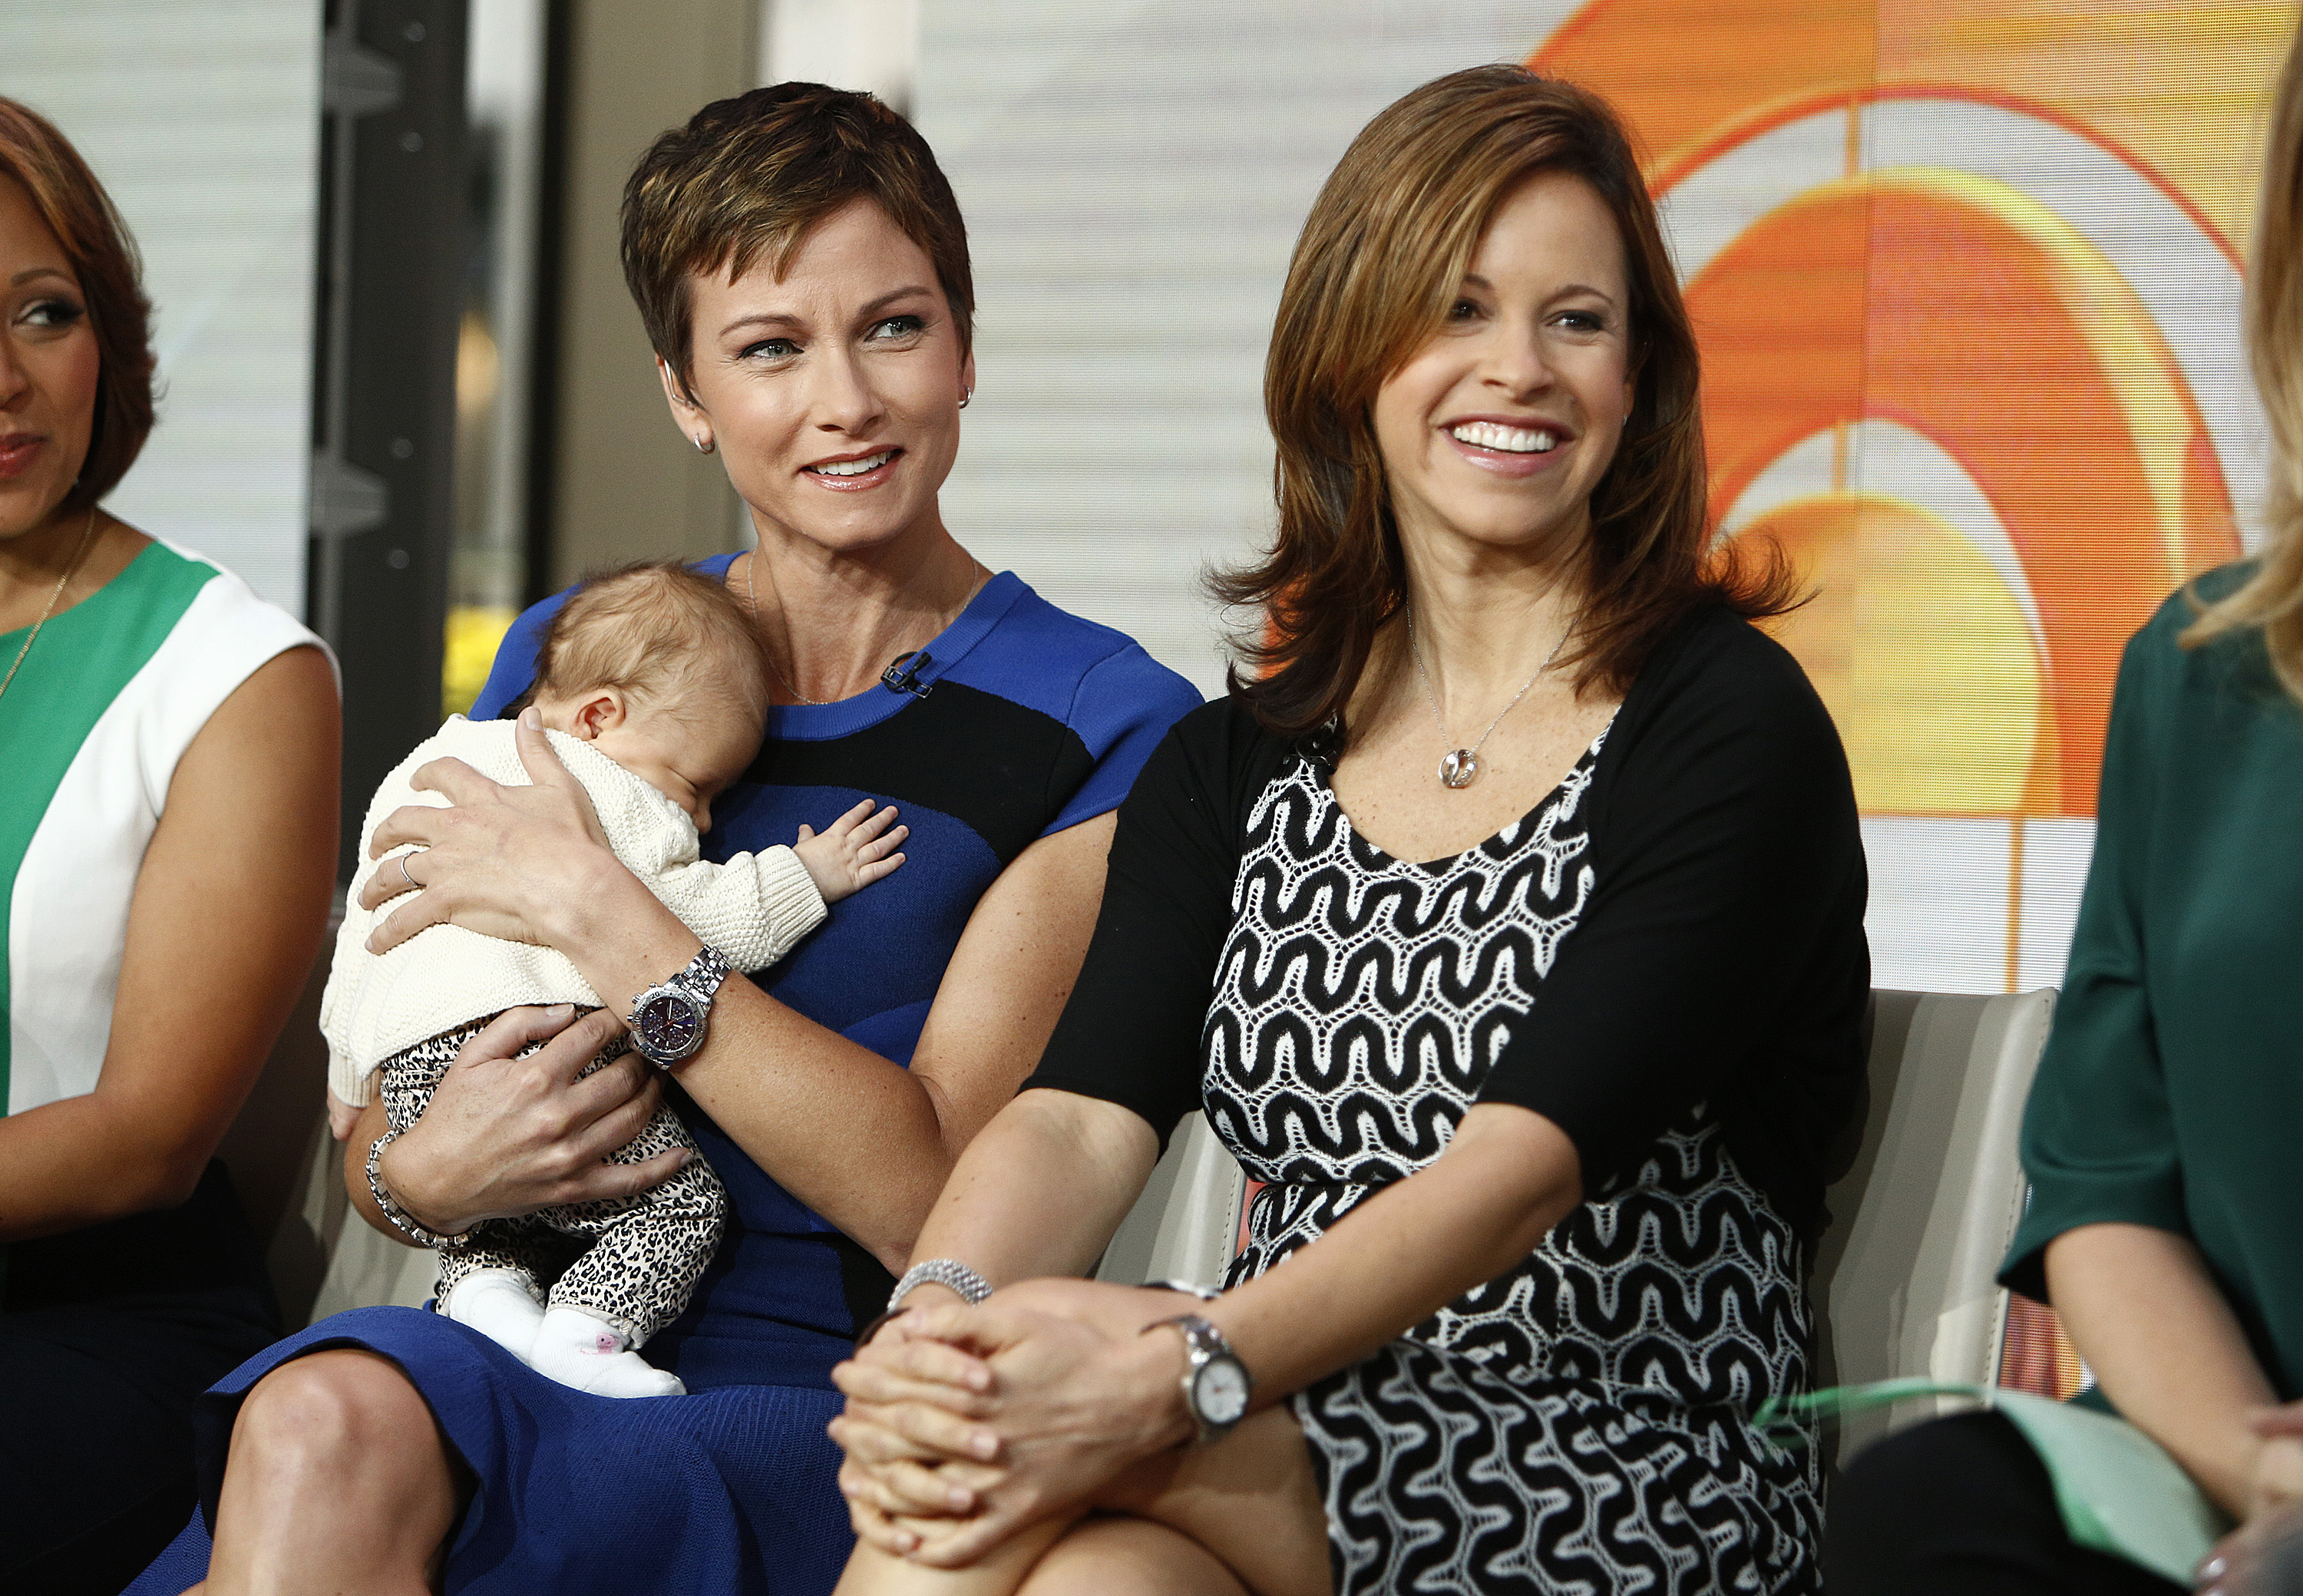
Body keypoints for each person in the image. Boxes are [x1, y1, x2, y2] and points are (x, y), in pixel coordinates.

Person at [128, 83, 1199, 1596]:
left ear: (965, 343)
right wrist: (420, 1181)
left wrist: (609, 915)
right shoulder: (584, 656)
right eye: (770, 348)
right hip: (495, 1323)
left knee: (331, 1425)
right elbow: (390, 1094)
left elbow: (948, 1205)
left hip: (814, 1384)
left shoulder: (1103, 720)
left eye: (892, 327)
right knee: (317, 1411)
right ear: (688, 391)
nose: (847, 400)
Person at [826, 65, 1869, 1596]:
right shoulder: (1230, 763)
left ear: (1638, 378)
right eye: (1455, 309)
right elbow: (1074, 1117)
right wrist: (938, 1316)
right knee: (1082, 1573)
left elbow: (1519, 1169)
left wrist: (1167, 1363)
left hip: (1621, 1456)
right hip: (1265, 1421)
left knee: (983, 1466)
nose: (1517, 367)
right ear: (1351, 355)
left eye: (1575, 320)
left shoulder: (1722, 723)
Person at [1825, 25, 2303, 1596]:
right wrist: (2257, 1466)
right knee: (1923, 1515)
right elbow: (2104, 1190)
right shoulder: (2201, 670)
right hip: (2223, 1458)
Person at [0, 97, 339, 1595]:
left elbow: (146, 1137)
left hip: (90, 1317)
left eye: (45, 311)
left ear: (111, 342)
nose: (4, 377)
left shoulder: (239, 671)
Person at [321, 560, 907, 1399]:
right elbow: (687, 921)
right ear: (601, 716)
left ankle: (485, 1294)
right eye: (694, 786)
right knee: (675, 1207)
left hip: (416, 1069)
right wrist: (807, 874)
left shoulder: (431, 761)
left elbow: (370, 932)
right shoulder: (599, 782)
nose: (700, 817)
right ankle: (585, 1336)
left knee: (506, 1210)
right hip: (552, 1046)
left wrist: (349, 1069)